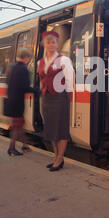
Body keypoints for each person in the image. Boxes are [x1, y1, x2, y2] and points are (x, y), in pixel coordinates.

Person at [38, 31, 74, 172]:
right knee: (51, 129)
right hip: (47, 98)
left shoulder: (64, 60)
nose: (51, 45)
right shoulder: (40, 62)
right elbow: (42, 80)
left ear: (57, 44)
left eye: (53, 42)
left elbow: (70, 78)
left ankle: (60, 158)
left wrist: (68, 96)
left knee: (61, 129)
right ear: (45, 45)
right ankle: (56, 156)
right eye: (48, 42)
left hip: (60, 97)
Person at [6, 48, 38, 156]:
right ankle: (11, 148)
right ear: (26, 57)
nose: (29, 60)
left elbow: (8, 83)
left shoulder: (11, 67)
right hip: (18, 102)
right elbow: (25, 87)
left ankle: (25, 145)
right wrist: (38, 91)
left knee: (19, 124)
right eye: (29, 58)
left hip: (11, 100)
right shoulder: (24, 69)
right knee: (16, 126)